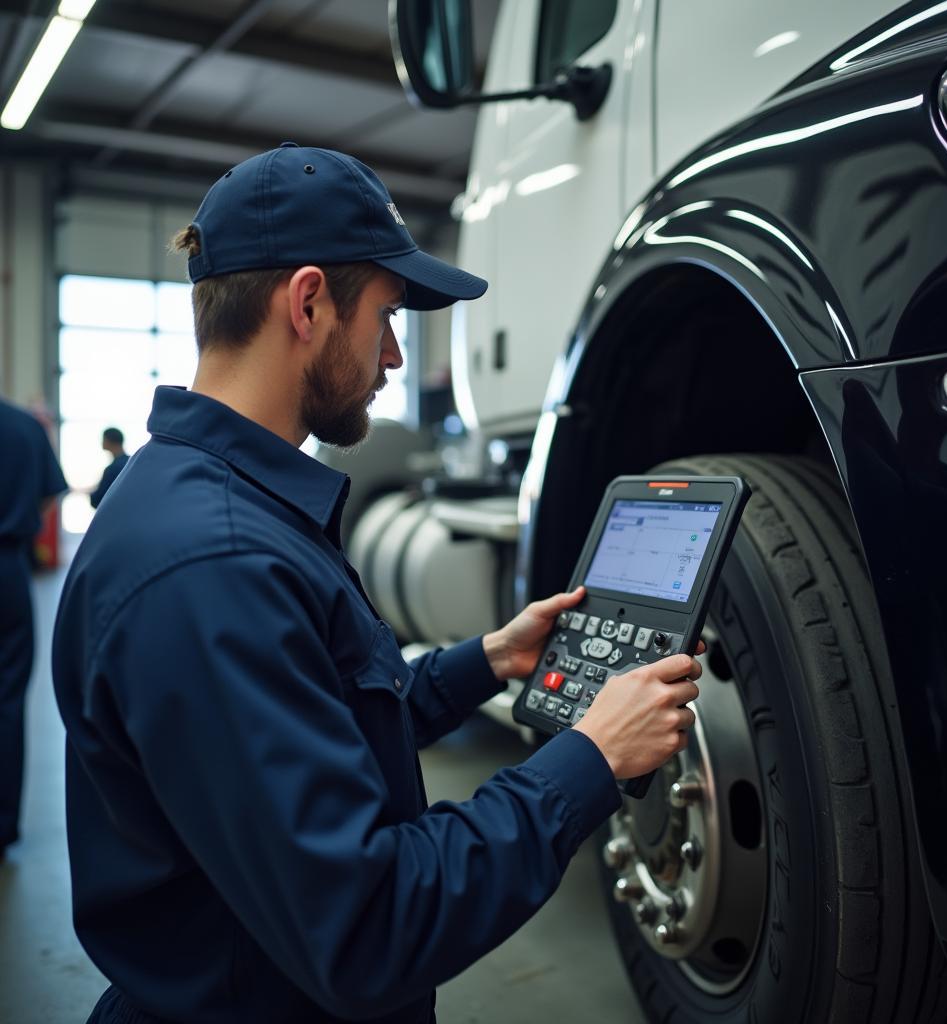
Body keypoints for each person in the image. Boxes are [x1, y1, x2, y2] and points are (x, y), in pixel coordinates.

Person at [52, 144, 703, 1024]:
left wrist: (484, 662)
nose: (396, 355)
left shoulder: (207, 497)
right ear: (309, 302)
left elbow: (321, 707)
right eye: (388, 316)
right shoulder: (218, 566)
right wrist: (587, 761)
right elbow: (368, 928)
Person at [0, 397, 66, 859]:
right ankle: (2, 827)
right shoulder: (24, 428)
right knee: (7, 698)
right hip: (9, 570)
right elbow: (49, 493)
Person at [89, 427, 129, 508]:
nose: (101, 442)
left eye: (103, 439)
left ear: (109, 441)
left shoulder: (112, 469)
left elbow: (98, 500)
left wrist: (91, 494)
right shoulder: (131, 463)